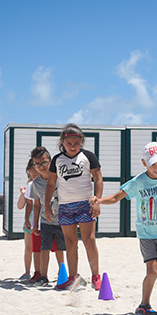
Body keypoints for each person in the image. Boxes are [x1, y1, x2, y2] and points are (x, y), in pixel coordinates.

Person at [91, 141, 157, 315]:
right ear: (144, 163)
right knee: (152, 271)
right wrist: (99, 200)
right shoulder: (138, 182)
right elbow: (116, 197)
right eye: (153, 164)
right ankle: (144, 304)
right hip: (146, 234)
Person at [44, 123, 103, 291]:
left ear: (81, 142)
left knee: (89, 240)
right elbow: (51, 184)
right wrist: (47, 207)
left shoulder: (88, 157)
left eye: (76, 143)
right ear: (63, 142)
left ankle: (95, 276)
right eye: (69, 143)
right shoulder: (57, 160)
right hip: (65, 206)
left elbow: (98, 178)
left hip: (85, 204)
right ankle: (72, 277)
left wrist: (97, 200)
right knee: (70, 243)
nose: (73, 147)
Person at [30, 147, 66, 286]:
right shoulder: (36, 183)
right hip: (45, 221)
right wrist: (35, 224)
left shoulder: (60, 178)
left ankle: (61, 273)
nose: (41, 167)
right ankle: (43, 276)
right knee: (44, 248)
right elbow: (37, 204)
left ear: (50, 161)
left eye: (44, 163)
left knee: (60, 249)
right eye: (37, 164)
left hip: (62, 220)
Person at [16, 159, 39, 281]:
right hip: (29, 222)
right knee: (28, 248)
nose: (33, 178)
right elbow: (20, 206)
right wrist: (22, 194)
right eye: (31, 175)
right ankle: (27, 272)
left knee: (42, 249)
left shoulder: (43, 186)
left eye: (35, 175)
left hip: (42, 223)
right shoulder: (28, 188)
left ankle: (39, 272)